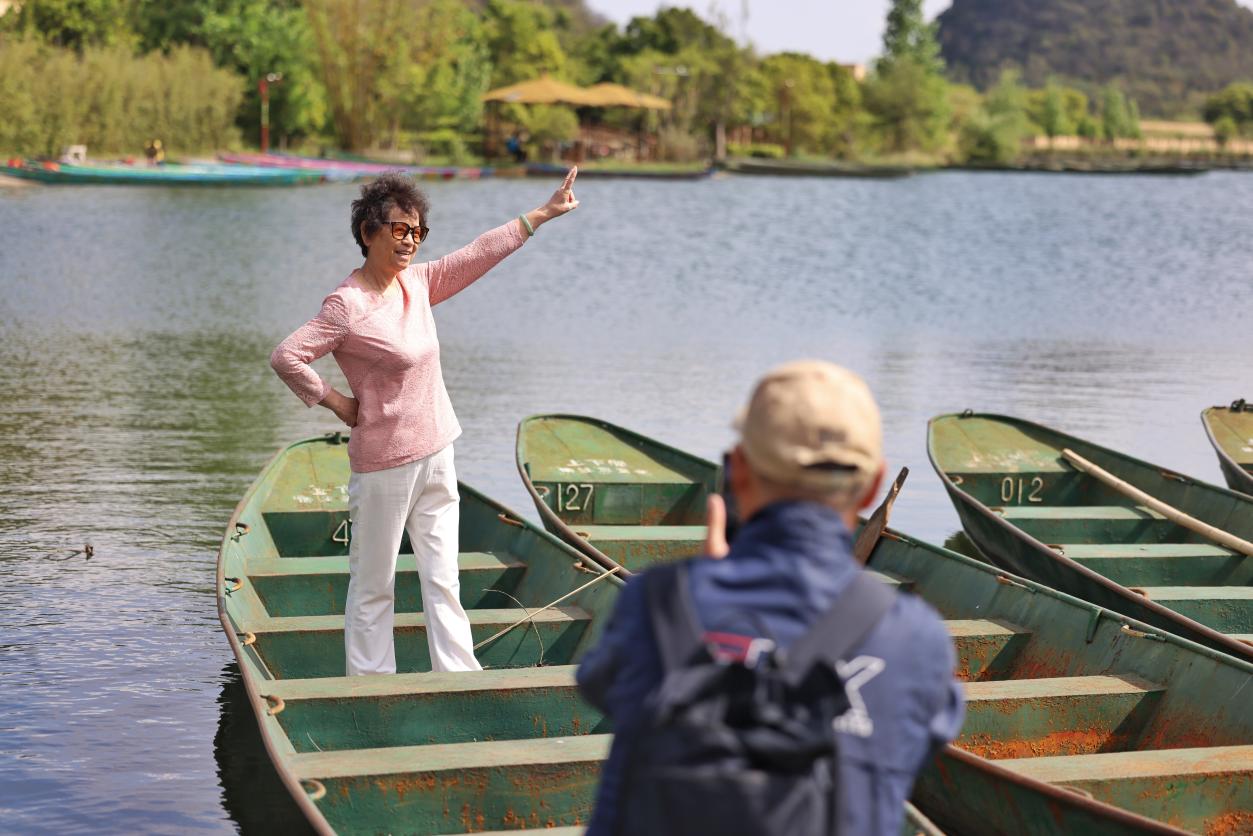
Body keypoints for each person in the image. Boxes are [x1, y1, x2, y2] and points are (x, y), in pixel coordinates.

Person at [577, 361, 965, 835]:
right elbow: (926, 731)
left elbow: (600, 684)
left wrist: (704, 596)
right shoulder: (916, 638)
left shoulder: (657, 604)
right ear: (871, 486)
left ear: (737, 471)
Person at [270, 168, 580, 676]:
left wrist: (541, 214)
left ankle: (458, 678)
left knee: (444, 578)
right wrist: (337, 403)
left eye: (417, 231)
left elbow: (477, 254)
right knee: (374, 585)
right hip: (384, 464)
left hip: (438, 450)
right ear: (369, 232)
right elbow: (287, 356)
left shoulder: (416, 283)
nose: (410, 240)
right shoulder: (347, 305)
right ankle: (371, 688)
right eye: (399, 230)